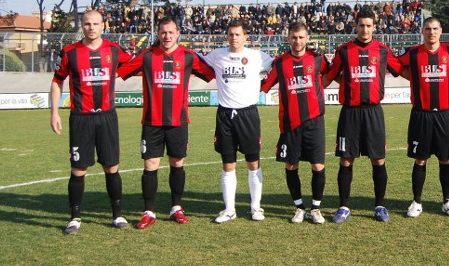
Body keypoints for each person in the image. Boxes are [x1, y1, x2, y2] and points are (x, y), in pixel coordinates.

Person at [118, 16, 215, 229]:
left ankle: (176, 208)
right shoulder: (147, 56)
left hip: (178, 121)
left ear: (178, 33)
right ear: (158, 33)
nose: (167, 36)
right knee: (150, 165)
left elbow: (213, 73)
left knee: (177, 163)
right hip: (152, 121)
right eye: (163, 32)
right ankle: (149, 211)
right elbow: (121, 69)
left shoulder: (189, 57)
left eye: (171, 32)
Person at [50, 9, 132, 234]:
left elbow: (134, 66)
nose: (91, 28)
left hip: (107, 116)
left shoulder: (114, 50)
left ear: (103, 26)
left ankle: (118, 215)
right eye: (87, 24)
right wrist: (54, 112)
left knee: (112, 166)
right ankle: (75, 218)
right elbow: (57, 81)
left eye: (96, 24)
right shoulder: (70, 52)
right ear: (82, 26)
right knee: (78, 169)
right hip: (80, 118)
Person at [323, 7, 402, 223]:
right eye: (361, 25)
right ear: (355, 26)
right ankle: (344, 206)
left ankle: (380, 205)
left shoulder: (383, 51)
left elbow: (403, 70)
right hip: (349, 113)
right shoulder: (344, 51)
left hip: (373, 112)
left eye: (368, 26)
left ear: (374, 27)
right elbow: (329, 76)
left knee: (378, 159)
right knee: (346, 160)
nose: (365, 29)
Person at [202, 18, 273, 223]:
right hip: (225, 115)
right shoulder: (217, 55)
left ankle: (256, 208)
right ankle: (230, 209)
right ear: (227, 36)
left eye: (238, 34)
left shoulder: (258, 56)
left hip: (248, 114)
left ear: (245, 37)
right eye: (231, 34)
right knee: (228, 163)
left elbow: (277, 66)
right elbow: (197, 61)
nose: (234, 38)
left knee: (253, 162)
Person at [261, 21, 330, 224]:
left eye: (301, 37)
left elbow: (330, 74)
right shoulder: (280, 63)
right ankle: (299, 207)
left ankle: (316, 208)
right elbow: (264, 86)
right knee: (292, 165)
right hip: (290, 124)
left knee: (317, 165)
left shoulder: (317, 59)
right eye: (294, 37)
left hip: (314, 122)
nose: (297, 41)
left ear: (307, 38)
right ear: (288, 38)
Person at [396, 17, 449, 218]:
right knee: (420, 159)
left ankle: (447, 201)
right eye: (427, 29)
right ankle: (416, 202)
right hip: (420, 114)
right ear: (422, 31)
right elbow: (394, 64)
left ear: (441, 31)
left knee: (445, 159)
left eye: (435, 29)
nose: (431, 32)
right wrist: (413, 77)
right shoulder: (413, 53)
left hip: (443, 114)